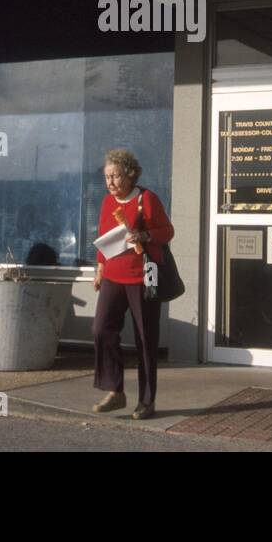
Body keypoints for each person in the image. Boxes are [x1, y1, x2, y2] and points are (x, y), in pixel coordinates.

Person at [91, 148, 173, 420]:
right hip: (114, 275)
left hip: (145, 275)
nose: (110, 183)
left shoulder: (147, 199)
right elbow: (104, 237)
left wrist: (144, 234)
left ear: (130, 174)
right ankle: (115, 391)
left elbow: (167, 231)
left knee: (145, 339)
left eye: (115, 176)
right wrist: (100, 268)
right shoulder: (106, 202)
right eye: (106, 177)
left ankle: (147, 401)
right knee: (101, 328)